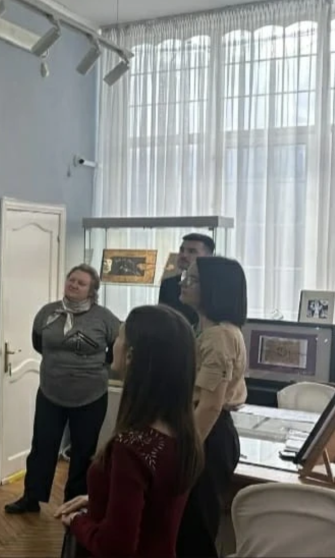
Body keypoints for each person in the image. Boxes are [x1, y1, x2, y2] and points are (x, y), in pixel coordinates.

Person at [55, 305, 205, 558]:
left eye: (119, 337)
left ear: (131, 355)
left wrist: (77, 521)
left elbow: (116, 547)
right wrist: (99, 500)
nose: (113, 343)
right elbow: (155, 508)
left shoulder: (132, 447)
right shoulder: (184, 434)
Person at [4, 264, 121, 514]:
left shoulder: (104, 318)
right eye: (71, 280)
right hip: (51, 393)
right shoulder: (48, 313)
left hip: (90, 396)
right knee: (42, 447)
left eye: (81, 283)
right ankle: (32, 497)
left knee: (83, 452)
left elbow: (117, 349)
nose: (74, 285)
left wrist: (93, 366)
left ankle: (73, 505)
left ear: (92, 291)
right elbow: (38, 343)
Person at [176, 256, 248, 557]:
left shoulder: (219, 336)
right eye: (185, 277)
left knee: (195, 531)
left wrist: (183, 452)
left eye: (192, 280)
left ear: (214, 288)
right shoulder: (206, 330)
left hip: (206, 433)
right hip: (202, 428)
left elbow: (209, 405)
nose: (183, 283)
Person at [158, 234, 215, 327]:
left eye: (192, 251)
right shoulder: (168, 284)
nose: (184, 255)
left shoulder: (214, 286)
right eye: (182, 250)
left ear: (208, 256)